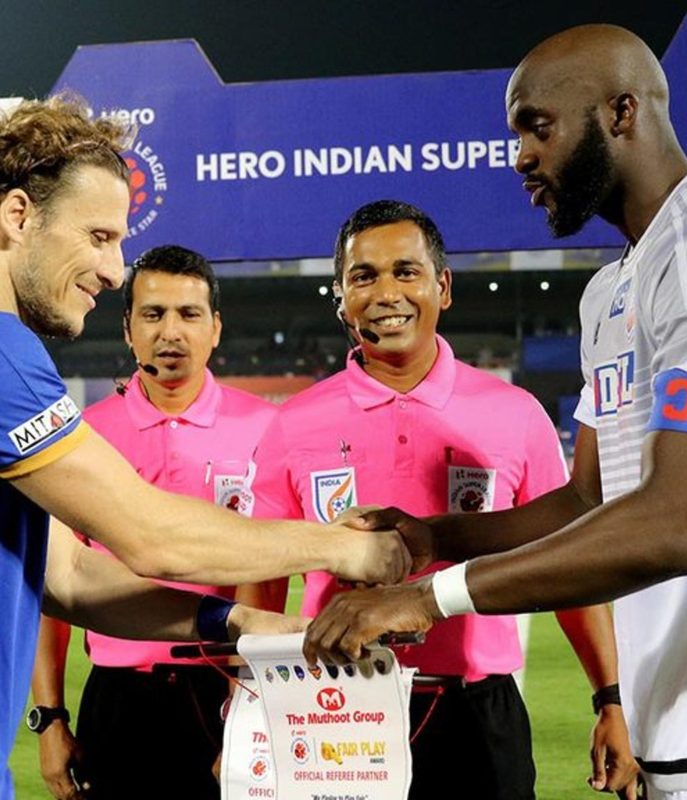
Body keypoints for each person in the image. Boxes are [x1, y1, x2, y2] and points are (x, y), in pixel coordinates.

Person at [303, 24, 687, 800]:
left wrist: (426, 596)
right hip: (679, 727)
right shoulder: (612, 291)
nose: (521, 157)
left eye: (538, 127)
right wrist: (436, 536)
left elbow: (676, 524)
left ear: (621, 113)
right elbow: (585, 501)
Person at [0, 97, 409, 799]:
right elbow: (150, 535)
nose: (114, 269)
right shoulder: (6, 357)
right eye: (98, 236)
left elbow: (70, 575)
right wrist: (344, 549)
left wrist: (233, 617)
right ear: (17, 215)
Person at [254, 199, 635, 799]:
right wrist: (246, 709)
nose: (386, 293)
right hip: (336, 708)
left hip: (477, 714)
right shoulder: (292, 423)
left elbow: (569, 561)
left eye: (406, 271)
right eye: (364, 276)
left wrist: (610, 699)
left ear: (443, 287)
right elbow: (263, 576)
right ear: (342, 298)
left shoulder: (516, 414)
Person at [31, 244, 286, 800]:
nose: (171, 332)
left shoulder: (268, 428)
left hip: (226, 687)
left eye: (189, 314)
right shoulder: (83, 437)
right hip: (120, 700)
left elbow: (268, 577)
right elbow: (53, 589)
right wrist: (49, 719)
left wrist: (250, 707)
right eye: (153, 314)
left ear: (215, 328)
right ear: (128, 329)